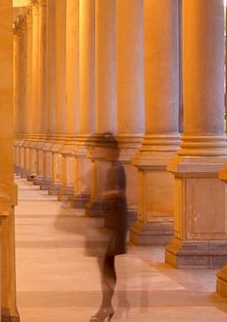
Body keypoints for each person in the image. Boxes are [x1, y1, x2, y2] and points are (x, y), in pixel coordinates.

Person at [89, 136, 127, 322]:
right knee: (107, 266)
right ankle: (106, 306)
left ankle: (106, 306)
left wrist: (101, 199)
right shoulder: (113, 167)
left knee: (106, 267)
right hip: (112, 223)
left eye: (97, 147)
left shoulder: (114, 168)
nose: (94, 151)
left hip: (111, 225)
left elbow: (117, 194)